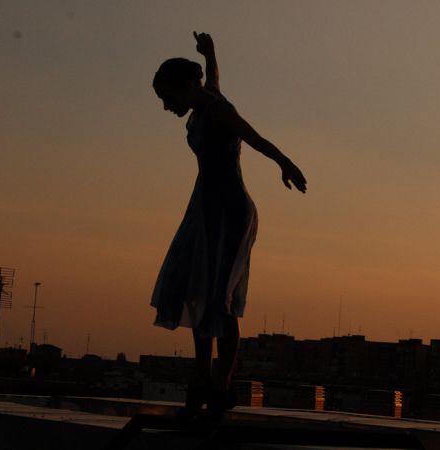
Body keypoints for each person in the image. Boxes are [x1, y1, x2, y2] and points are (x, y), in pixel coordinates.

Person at [150, 31, 307, 420]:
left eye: (169, 98)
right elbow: (214, 77)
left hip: (232, 213)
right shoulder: (206, 100)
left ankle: (221, 383)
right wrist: (211, 52)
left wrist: (285, 163)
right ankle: (203, 377)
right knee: (195, 291)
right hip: (205, 210)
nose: (168, 107)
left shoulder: (218, 111)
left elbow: (252, 137)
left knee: (219, 300)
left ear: (187, 87)